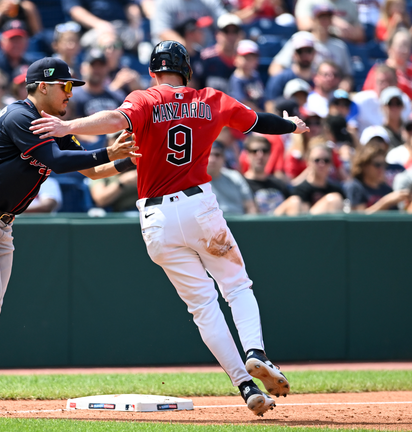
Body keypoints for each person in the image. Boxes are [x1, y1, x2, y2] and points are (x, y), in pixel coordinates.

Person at [30, 40, 310, 416]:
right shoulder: (210, 98)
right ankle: (256, 353)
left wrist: (68, 125)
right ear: (186, 69)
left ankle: (245, 386)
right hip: (198, 206)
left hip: (155, 219)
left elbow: (114, 120)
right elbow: (260, 122)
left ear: (153, 71)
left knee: (203, 307)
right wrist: (290, 125)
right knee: (236, 286)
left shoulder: (144, 99)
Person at [0, 57, 140, 416]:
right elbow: (59, 161)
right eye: (65, 85)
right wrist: (107, 150)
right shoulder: (20, 115)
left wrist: (128, 161)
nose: (70, 93)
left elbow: (93, 171)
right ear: (43, 86)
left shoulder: (59, 126)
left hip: (3, 222)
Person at [268, 7, 353, 88]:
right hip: (302, 89)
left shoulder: (339, 46)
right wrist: (290, 84)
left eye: (327, 19)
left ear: (331, 21)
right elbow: (275, 68)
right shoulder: (301, 40)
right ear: (313, 20)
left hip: (331, 90)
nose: (324, 22)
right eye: (320, 18)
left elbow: (348, 75)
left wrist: (343, 87)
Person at [361, 28, 412, 112]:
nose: (405, 50)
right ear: (390, 47)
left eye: (408, 46)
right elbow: (372, 99)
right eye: (401, 46)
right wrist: (407, 106)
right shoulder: (381, 72)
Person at [276, 144, 346, 215]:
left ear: (331, 163)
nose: (321, 164)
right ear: (308, 162)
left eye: (326, 160)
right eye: (317, 160)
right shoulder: (299, 189)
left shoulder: (337, 189)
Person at [343, 140, 409, 213]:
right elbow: (359, 219)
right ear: (364, 165)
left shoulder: (387, 189)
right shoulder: (355, 187)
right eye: (377, 165)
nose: (381, 169)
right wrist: (386, 202)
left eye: (383, 165)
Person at [351, 63, 411, 135]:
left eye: (389, 81)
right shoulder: (360, 100)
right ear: (375, 83)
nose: (385, 85)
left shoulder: (403, 100)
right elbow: (351, 126)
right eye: (381, 82)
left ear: (396, 83)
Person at [264, 32, 316, 112]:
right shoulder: (280, 78)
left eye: (308, 51)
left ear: (314, 53)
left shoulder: (320, 78)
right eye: (300, 51)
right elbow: (270, 106)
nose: (305, 55)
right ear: (294, 54)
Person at [89, 131, 140, 212]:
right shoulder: (100, 168)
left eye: (128, 138)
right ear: (109, 142)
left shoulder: (142, 162)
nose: (124, 143)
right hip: (117, 215)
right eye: (118, 138)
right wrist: (122, 182)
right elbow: (100, 200)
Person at [242, 135, 291, 215]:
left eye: (264, 151)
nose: (260, 155)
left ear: (269, 154)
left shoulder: (279, 184)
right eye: (254, 151)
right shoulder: (240, 184)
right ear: (247, 155)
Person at [207, 141, 258, 215]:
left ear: (224, 158)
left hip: (239, 223)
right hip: (210, 224)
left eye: (217, 155)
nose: (212, 159)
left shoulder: (234, 177)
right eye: (209, 154)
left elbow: (250, 206)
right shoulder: (195, 182)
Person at [197, 13, 243, 93]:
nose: (230, 36)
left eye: (234, 31)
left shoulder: (245, 58)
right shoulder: (205, 58)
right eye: (226, 31)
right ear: (217, 34)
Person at [147, 0, 227, 46]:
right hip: (175, 55)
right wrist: (185, 50)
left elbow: (225, 22)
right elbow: (162, 31)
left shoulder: (208, 2)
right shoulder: (164, 2)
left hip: (209, 53)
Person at [294, 0, 365, 43]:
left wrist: (345, 29)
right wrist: (332, 24)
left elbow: (360, 35)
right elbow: (303, 25)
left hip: (343, 45)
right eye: (323, 17)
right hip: (315, 43)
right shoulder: (309, 1)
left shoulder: (350, 4)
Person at [228, 39, 265, 112]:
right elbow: (244, 104)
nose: (248, 61)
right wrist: (265, 116)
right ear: (236, 58)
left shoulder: (255, 75)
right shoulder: (237, 80)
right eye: (245, 58)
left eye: (252, 58)